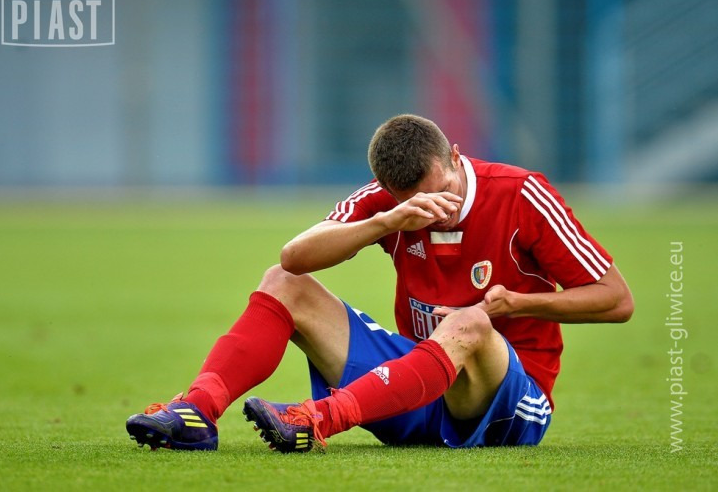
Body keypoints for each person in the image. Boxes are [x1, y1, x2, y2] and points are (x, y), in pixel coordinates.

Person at [126, 114, 634, 452]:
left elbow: (616, 300)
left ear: (455, 157)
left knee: (471, 323)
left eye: (445, 190)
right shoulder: (388, 204)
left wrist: (515, 304)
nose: (439, 210)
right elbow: (294, 257)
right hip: (413, 389)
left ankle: (317, 420)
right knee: (283, 282)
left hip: (508, 408)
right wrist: (386, 222)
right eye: (418, 202)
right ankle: (197, 411)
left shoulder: (521, 194)